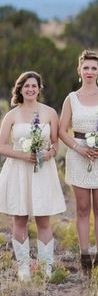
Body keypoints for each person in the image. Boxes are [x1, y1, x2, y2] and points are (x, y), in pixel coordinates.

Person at [59, 50, 98, 273]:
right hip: (78, 156)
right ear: (79, 70)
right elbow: (61, 130)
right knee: (83, 209)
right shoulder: (71, 99)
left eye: (93, 68)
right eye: (85, 67)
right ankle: (85, 254)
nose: (89, 71)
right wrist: (78, 148)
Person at [0, 71, 66, 280]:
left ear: (39, 89)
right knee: (19, 219)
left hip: (42, 171)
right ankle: (24, 268)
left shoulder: (49, 113)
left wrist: (48, 154)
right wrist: (23, 155)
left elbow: (55, 143)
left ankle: (46, 268)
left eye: (34, 86)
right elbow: (1, 145)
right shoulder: (12, 115)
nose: (30, 89)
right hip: (18, 170)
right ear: (20, 89)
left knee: (43, 220)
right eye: (26, 86)